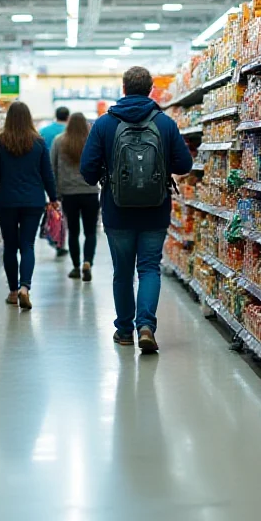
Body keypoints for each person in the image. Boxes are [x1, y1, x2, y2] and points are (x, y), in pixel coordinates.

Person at [80, 66, 193, 353]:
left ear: (124, 88)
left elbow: (87, 172)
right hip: (156, 209)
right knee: (149, 268)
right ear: (151, 89)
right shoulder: (165, 123)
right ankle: (146, 326)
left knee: (122, 271)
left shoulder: (104, 125)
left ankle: (124, 330)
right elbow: (184, 165)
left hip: (117, 211)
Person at [0, 101, 58, 310]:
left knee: (10, 246)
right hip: (33, 201)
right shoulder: (38, 142)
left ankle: (12, 291)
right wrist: (53, 198)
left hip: (7, 201)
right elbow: (47, 174)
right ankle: (25, 287)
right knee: (27, 245)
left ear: (8, 118)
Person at [51, 113, 100, 282]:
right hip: (90, 192)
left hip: (68, 194)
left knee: (73, 232)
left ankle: (76, 266)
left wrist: (55, 193)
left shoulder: (59, 141)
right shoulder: (93, 141)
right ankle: (88, 262)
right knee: (90, 232)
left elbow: (53, 168)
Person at [40, 107, 71, 256]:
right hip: (66, 176)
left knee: (51, 208)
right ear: (68, 117)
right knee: (62, 211)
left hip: (46, 175)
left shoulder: (44, 131)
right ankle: (59, 240)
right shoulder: (70, 132)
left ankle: (51, 232)